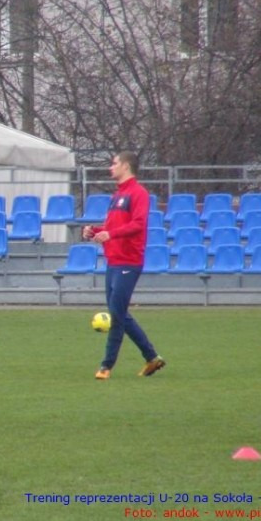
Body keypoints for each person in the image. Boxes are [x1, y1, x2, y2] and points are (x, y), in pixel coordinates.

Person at [82, 151, 166, 380]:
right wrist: (94, 231)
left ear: (126, 166)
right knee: (117, 311)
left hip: (129, 260)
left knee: (117, 314)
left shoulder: (138, 193)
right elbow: (112, 227)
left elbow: (138, 224)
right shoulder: (118, 195)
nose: (111, 167)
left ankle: (106, 366)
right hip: (114, 260)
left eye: (114, 163)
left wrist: (110, 234)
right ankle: (152, 357)